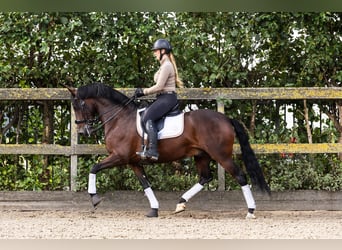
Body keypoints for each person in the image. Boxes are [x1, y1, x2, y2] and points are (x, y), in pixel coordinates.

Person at [135, 38, 183, 161]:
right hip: (163, 97)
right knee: (146, 113)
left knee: (147, 116)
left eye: (156, 51)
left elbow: (159, 87)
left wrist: (143, 92)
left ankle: (153, 150)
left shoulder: (166, 65)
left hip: (167, 98)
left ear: (163, 51)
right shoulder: (163, 65)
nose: (154, 53)